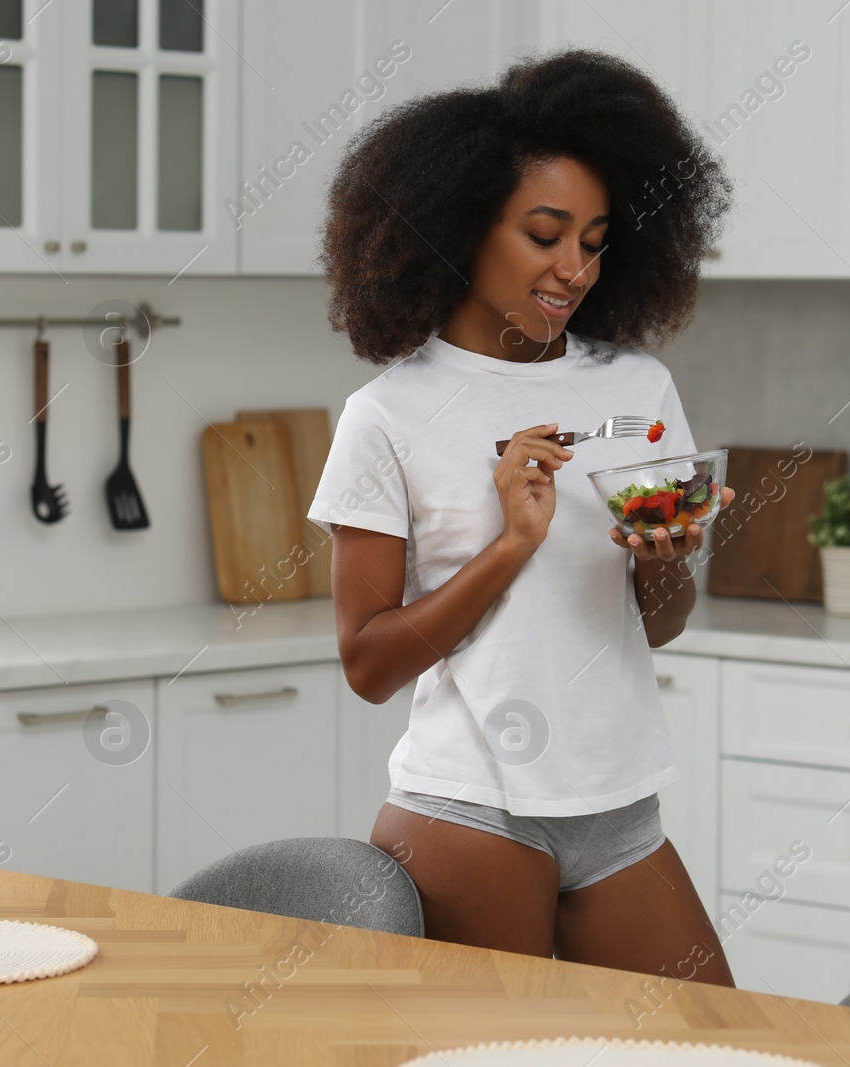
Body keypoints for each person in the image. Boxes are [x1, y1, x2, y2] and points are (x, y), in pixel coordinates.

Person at [306, 47, 737, 983]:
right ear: (464, 227)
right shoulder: (389, 414)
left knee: (716, 1044)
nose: (573, 267)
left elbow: (660, 624)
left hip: (619, 806)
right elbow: (368, 663)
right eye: (545, 234)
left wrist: (665, 556)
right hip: (472, 809)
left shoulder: (638, 386)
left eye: (593, 239)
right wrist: (513, 546)